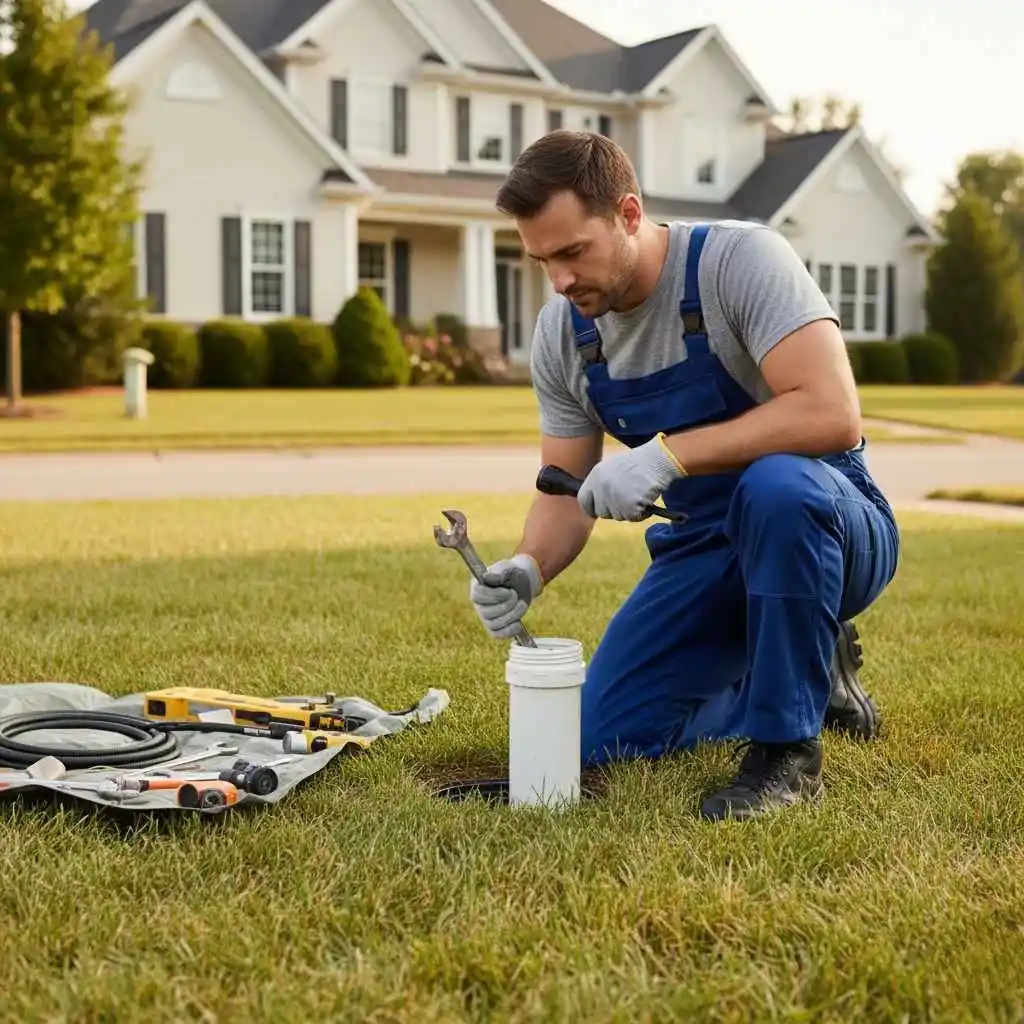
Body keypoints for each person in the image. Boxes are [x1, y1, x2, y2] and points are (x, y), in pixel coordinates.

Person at [468, 130, 901, 822]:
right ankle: (807, 681)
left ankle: (786, 754)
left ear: (629, 214)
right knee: (606, 736)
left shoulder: (737, 262)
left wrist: (668, 455)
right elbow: (563, 486)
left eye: (573, 252)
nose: (560, 280)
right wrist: (528, 565)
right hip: (707, 545)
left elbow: (832, 413)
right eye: (542, 260)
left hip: (828, 522)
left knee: (777, 487)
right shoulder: (564, 336)